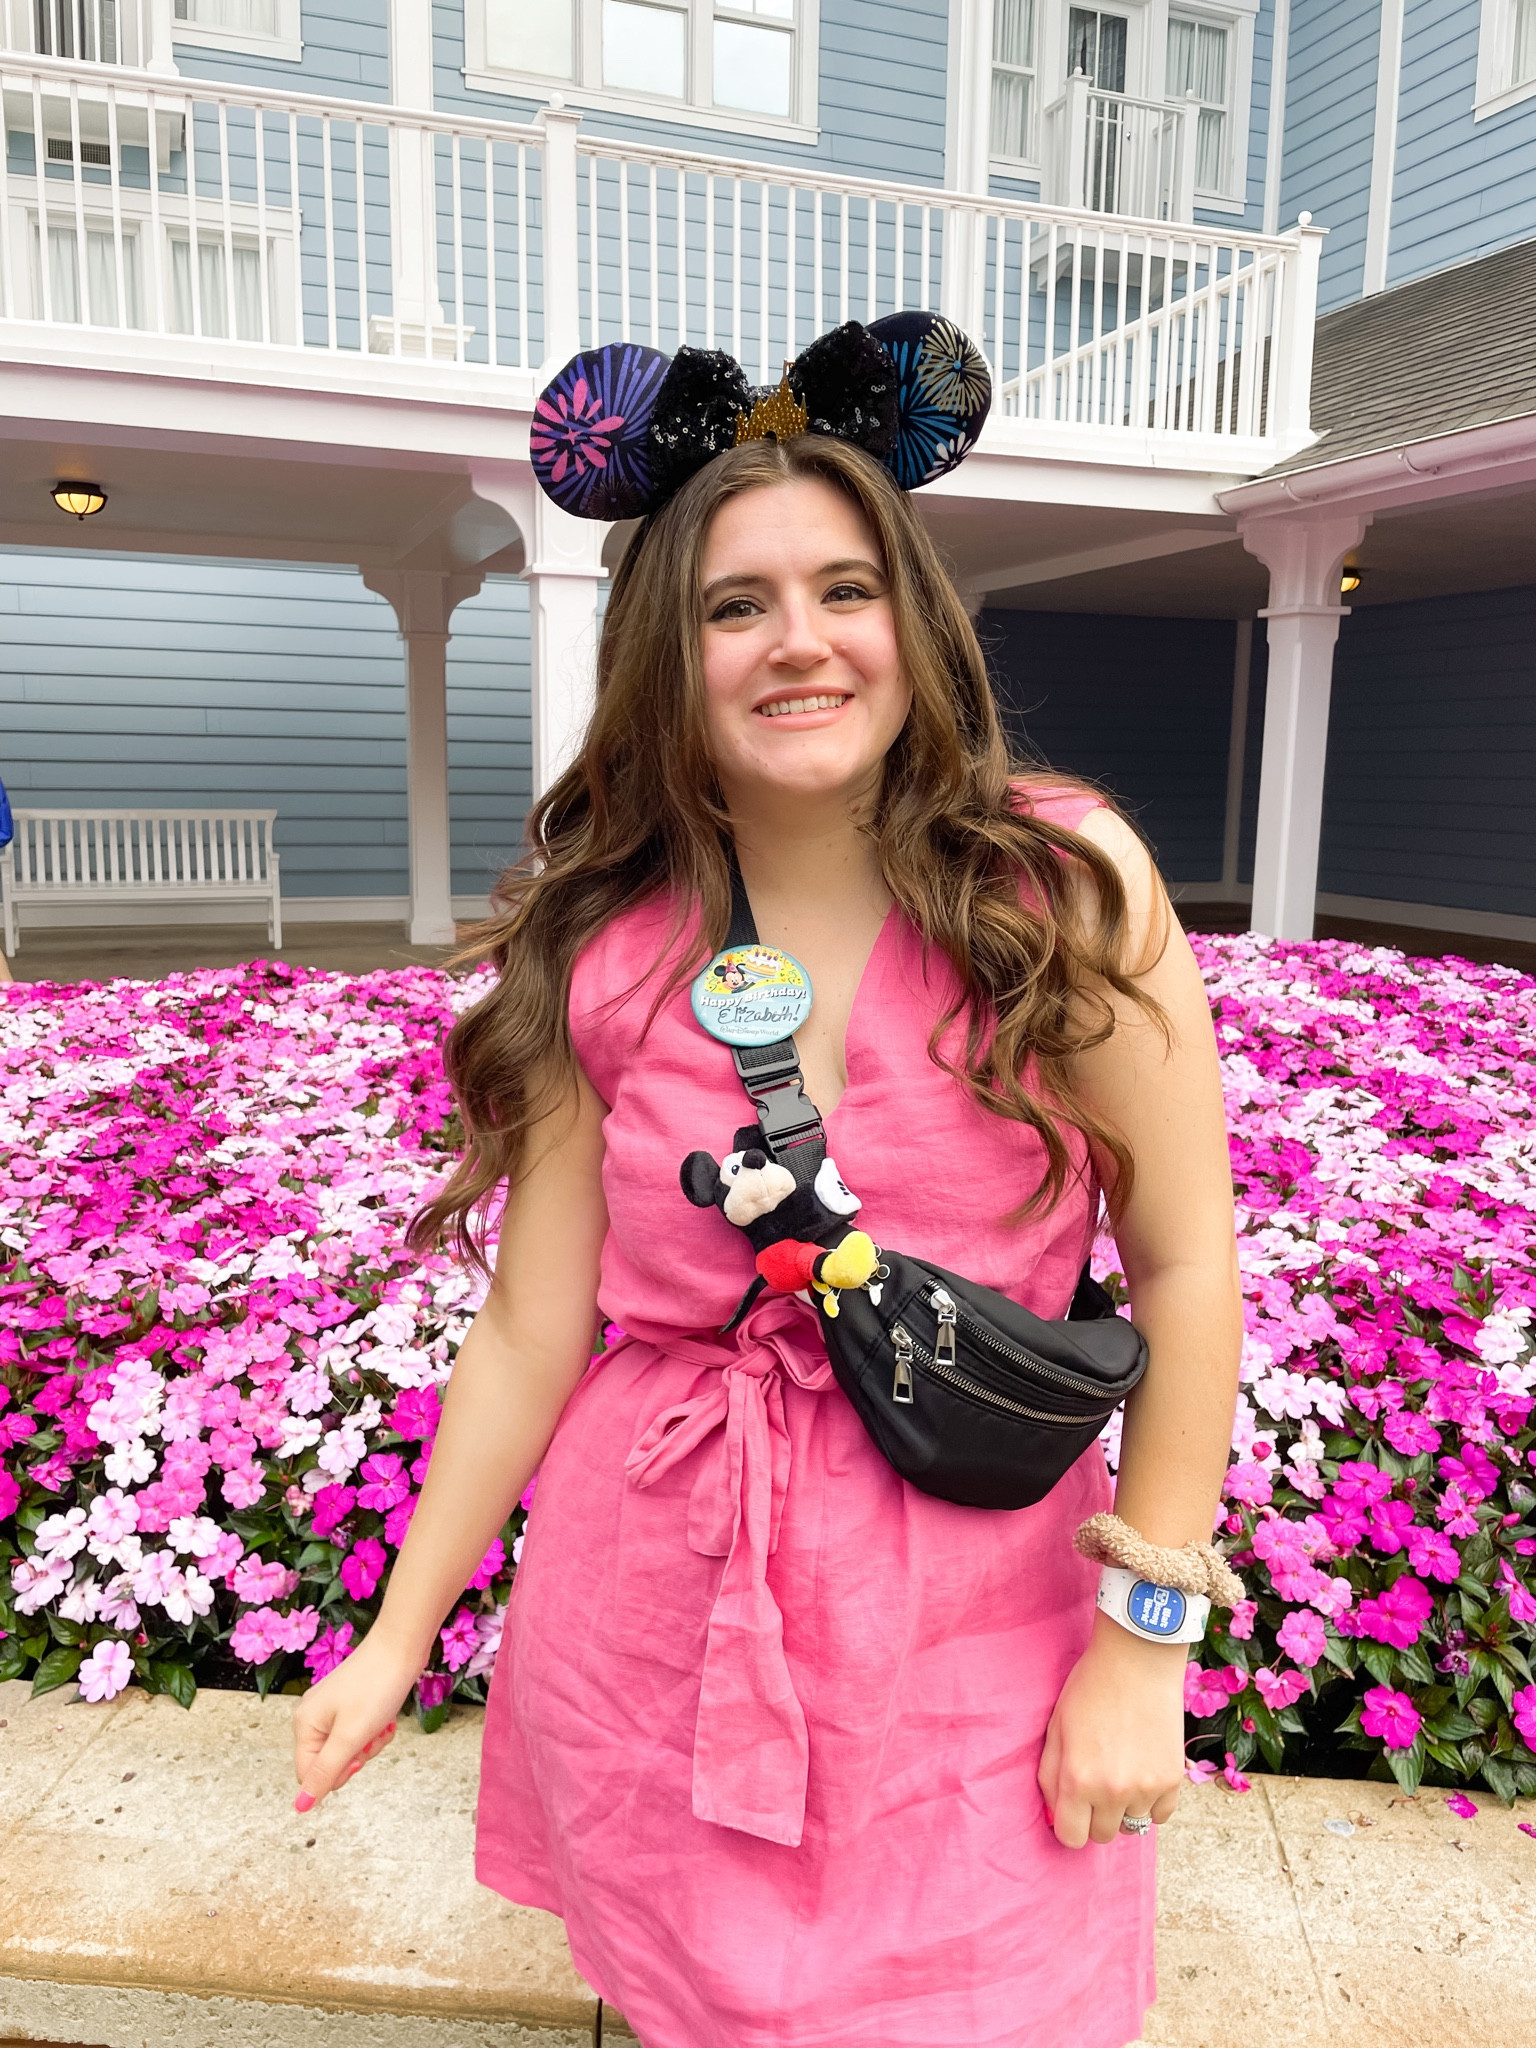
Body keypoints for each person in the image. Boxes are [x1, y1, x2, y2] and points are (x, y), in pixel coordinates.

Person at [293, 337, 1241, 2048]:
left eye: (846, 589)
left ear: (915, 625)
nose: (800, 642)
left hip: (974, 1624)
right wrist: (395, 1633)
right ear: (670, 654)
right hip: (651, 1611)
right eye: (738, 606)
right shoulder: (606, 938)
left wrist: (1147, 1644)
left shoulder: (1062, 884)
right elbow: (531, 1323)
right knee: (698, 2006)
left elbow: (1183, 1264)